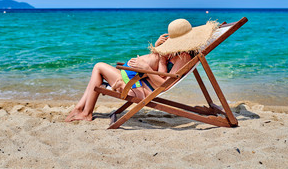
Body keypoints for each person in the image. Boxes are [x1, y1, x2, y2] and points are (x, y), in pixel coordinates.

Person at [65, 18, 218, 122]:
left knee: (98, 67)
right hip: (138, 81)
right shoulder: (180, 53)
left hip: (139, 87)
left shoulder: (184, 57)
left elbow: (165, 84)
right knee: (98, 70)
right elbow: (161, 70)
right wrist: (159, 51)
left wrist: (145, 69)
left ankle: (85, 112)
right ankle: (81, 109)